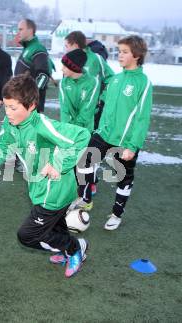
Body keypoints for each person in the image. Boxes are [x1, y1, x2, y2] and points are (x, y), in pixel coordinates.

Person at [0, 73, 91, 278]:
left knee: (27, 235)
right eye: (6, 106)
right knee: (55, 226)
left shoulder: (42, 125)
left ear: (31, 106)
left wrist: (58, 163)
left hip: (54, 192)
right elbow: (2, 149)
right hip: (40, 189)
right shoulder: (10, 125)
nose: (8, 113)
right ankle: (69, 249)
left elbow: (82, 136)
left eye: (14, 108)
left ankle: (73, 249)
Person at [72, 36, 153, 231]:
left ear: (137, 55)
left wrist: (132, 146)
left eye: (124, 52)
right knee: (84, 161)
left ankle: (117, 214)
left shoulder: (144, 83)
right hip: (104, 134)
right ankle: (85, 198)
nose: (120, 55)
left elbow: (142, 119)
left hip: (125, 141)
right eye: (119, 51)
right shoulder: (116, 78)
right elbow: (104, 103)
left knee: (124, 178)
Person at [64, 31, 114, 129]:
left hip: (90, 110)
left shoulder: (96, 59)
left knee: (88, 139)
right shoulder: (68, 59)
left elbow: (111, 79)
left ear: (75, 45)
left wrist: (102, 99)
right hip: (72, 109)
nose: (66, 49)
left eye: (67, 46)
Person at [14, 18, 52, 113]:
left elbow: (44, 76)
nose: (18, 32)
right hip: (21, 101)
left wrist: (31, 97)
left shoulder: (38, 48)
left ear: (30, 30)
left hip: (31, 105)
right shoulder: (28, 48)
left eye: (21, 29)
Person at [59, 49, 100, 132]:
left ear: (73, 67)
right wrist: (68, 128)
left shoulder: (93, 82)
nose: (61, 69)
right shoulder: (63, 83)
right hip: (67, 129)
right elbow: (64, 108)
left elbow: (88, 108)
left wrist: (77, 128)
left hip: (84, 130)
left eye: (64, 66)